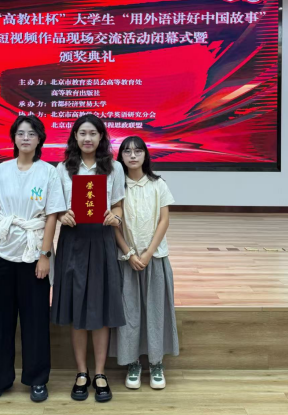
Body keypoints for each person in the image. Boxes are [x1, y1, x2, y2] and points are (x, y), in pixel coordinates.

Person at [0, 115, 66, 403]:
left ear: (40, 139)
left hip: (33, 255)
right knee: (1, 321)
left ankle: (37, 379)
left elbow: (52, 216)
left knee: (35, 321)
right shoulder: (0, 171)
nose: (25, 138)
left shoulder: (48, 172)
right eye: (20, 133)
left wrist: (44, 255)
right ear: (14, 138)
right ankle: (0, 379)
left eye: (31, 133)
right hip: (2, 254)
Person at [51, 114, 126, 403]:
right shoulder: (63, 168)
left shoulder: (114, 168)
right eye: (82, 133)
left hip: (103, 239)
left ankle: (100, 373)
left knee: (101, 306)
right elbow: (56, 206)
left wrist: (115, 216)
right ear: (75, 136)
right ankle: (81, 372)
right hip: (73, 240)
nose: (87, 138)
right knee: (77, 305)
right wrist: (63, 215)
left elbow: (118, 205)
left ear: (101, 137)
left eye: (93, 133)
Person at [109, 135, 179, 390]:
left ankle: (157, 362)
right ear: (120, 156)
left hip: (155, 259)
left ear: (145, 155)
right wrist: (129, 253)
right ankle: (133, 362)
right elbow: (114, 225)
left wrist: (148, 253)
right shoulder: (117, 187)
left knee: (156, 311)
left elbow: (164, 221)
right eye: (127, 151)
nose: (133, 155)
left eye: (138, 151)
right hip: (125, 260)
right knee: (130, 313)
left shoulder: (158, 184)